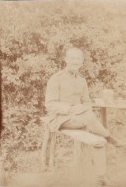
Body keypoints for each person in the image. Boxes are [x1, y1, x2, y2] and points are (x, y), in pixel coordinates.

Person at [44, 47, 119, 186]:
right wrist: (72, 108)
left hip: (80, 118)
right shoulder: (56, 78)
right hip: (60, 119)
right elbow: (49, 104)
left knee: (99, 141)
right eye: (72, 58)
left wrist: (85, 108)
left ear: (82, 62)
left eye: (78, 59)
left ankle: (100, 178)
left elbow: (86, 102)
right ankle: (109, 136)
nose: (75, 61)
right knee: (88, 117)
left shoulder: (82, 80)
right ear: (66, 60)